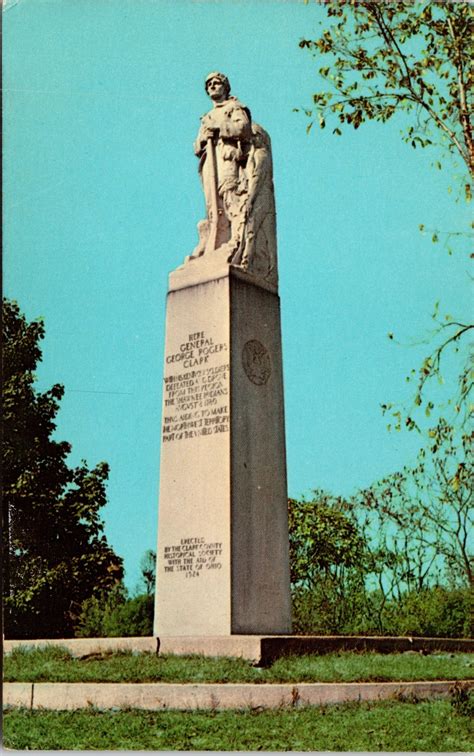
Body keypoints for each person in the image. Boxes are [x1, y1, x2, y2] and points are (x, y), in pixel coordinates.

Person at [191, 72, 278, 286]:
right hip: (211, 164)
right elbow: (196, 146)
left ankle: (236, 241)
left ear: (225, 87)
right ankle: (215, 239)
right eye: (209, 84)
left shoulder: (234, 108)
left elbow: (243, 128)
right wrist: (203, 139)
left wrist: (220, 129)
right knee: (213, 206)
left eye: (217, 83)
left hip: (229, 158)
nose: (213, 86)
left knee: (231, 198)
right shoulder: (207, 116)